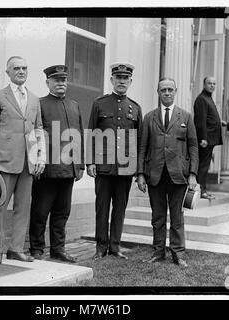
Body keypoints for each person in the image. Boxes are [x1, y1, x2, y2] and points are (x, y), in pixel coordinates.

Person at [0, 56, 46, 264]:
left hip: (28, 162)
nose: (21, 71)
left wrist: (39, 158)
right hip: (4, 161)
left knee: (23, 206)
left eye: (24, 68)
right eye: (16, 68)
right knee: (0, 205)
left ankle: (16, 248)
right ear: (8, 72)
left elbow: (38, 129)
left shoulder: (35, 99)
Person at [137, 77, 198, 268]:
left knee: (177, 217)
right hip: (154, 174)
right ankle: (158, 252)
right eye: (163, 90)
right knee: (158, 216)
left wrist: (193, 174)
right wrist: (140, 174)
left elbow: (194, 146)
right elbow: (142, 148)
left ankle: (178, 253)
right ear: (158, 92)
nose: (167, 93)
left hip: (178, 175)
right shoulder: (149, 117)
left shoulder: (186, 117)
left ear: (176, 91)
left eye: (170, 89)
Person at [29, 65, 85, 263]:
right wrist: (36, 162)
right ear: (48, 83)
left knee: (62, 213)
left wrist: (80, 165)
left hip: (68, 170)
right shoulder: (39, 104)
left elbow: (77, 136)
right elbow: (34, 136)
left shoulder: (74, 105)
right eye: (56, 80)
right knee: (40, 211)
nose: (61, 84)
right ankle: (36, 249)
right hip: (47, 168)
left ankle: (58, 249)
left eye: (63, 80)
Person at [87, 62, 142, 260]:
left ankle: (115, 246)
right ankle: (101, 246)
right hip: (103, 166)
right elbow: (91, 134)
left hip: (126, 168)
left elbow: (139, 141)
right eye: (118, 78)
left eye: (125, 78)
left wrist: (138, 169)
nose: (121, 81)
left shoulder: (135, 108)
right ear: (112, 80)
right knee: (102, 207)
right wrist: (90, 162)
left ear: (130, 82)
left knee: (120, 207)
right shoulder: (99, 104)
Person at [193, 76, 224, 200]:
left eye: (214, 84)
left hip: (210, 138)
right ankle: (201, 191)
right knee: (203, 165)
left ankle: (202, 189)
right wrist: (203, 138)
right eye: (209, 83)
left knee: (205, 165)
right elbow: (200, 121)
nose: (212, 85)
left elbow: (210, 117)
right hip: (206, 140)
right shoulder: (202, 99)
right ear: (204, 84)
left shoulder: (208, 98)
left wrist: (220, 122)